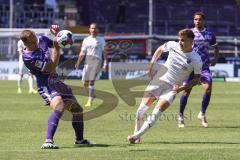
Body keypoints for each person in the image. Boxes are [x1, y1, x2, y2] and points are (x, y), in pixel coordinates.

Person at [21, 25, 92, 149]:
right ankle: (48, 141)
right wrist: (57, 47)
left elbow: (56, 43)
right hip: (46, 85)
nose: (37, 41)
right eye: (34, 40)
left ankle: (80, 140)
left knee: (77, 110)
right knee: (59, 105)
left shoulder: (41, 39)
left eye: (36, 38)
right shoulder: (28, 57)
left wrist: (58, 35)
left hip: (57, 83)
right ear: (28, 43)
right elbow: (51, 67)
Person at [127, 29, 203, 144]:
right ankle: (136, 132)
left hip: (172, 89)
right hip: (159, 80)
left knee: (157, 111)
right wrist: (151, 64)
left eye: (183, 40)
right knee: (141, 110)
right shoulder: (173, 45)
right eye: (179, 40)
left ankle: (136, 136)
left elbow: (196, 79)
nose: (180, 42)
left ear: (191, 41)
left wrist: (181, 89)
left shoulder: (196, 59)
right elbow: (160, 49)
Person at [178, 12, 219, 128]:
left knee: (208, 88)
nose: (197, 21)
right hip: (190, 68)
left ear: (204, 21)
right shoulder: (189, 34)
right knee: (186, 91)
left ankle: (202, 114)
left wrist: (215, 59)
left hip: (204, 67)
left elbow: (216, 48)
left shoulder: (210, 34)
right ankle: (180, 116)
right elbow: (181, 47)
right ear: (193, 21)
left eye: (200, 19)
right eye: (195, 19)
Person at [75, 23, 107, 107]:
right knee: (85, 83)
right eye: (92, 28)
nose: (93, 30)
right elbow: (82, 52)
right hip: (87, 62)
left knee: (91, 80)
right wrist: (78, 62)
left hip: (97, 61)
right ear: (89, 29)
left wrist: (105, 63)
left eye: (95, 28)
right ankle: (92, 95)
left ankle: (89, 101)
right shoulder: (86, 40)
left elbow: (104, 52)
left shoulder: (101, 40)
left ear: (98, 30)